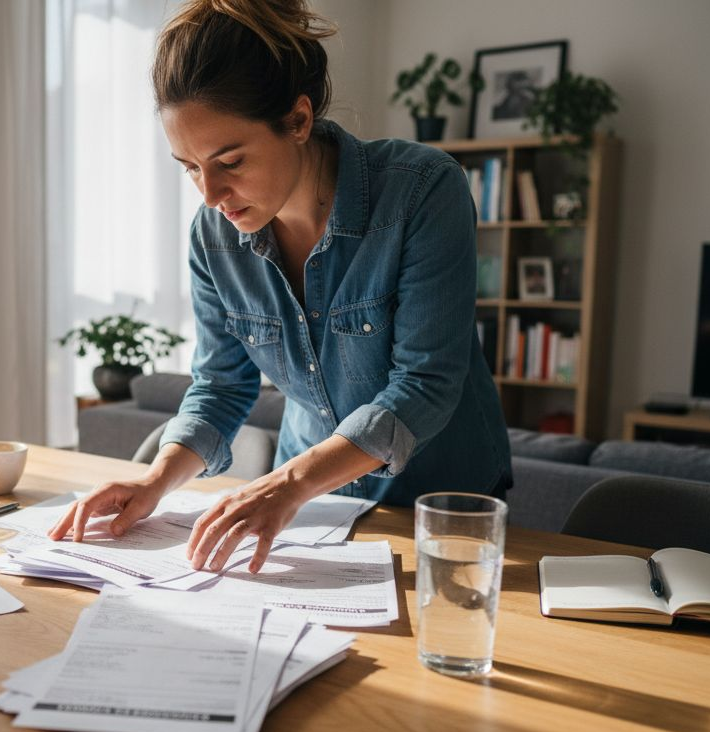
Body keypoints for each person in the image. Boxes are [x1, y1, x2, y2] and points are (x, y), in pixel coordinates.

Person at [49, 0, 512, 575]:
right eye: (189, 167)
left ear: (297, 120)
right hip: (313, 512)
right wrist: (155, 480)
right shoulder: (213, 237)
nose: (210, 194)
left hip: (441, 509)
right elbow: (220, 385)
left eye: (230, 161)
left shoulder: (422, 191)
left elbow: (425, 384)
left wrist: (287, 483)